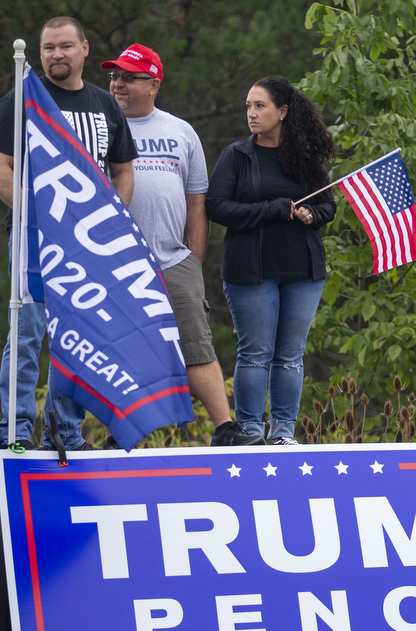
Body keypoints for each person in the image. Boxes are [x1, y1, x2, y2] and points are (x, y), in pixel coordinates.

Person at [0, 16, 137, 451]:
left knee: (80, 339)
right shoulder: (24, 99)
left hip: (91, 244)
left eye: (65, 46)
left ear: (85, 49)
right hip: (36, 241)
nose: (56, 55)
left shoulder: (105, 105)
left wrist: (109, 221)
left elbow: (124, 171)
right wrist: (41, 218)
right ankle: (15, 431)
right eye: (48, 48)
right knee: (27, 332)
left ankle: (65, 432)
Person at [101, 44, 263, 447]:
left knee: (196, 345)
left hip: (174, 261)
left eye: (128, 77)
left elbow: (197, 201)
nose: (118, 84)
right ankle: (115, 439)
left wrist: (194, 259)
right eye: (114, 76)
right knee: (118, 353)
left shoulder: (180, 130)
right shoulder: (101, 128)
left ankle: (225, 430)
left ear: (153, 84)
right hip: (116, 261)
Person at [206, 76, 336, 445]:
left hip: (303, 270)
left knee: (291, 356)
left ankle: (283, 434)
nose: (251, 113)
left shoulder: (305, 156)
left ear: (283, 111)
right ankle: (250, 431)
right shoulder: (237, 155)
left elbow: (329, 204)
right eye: (248, 106)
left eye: (259, 106)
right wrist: (271, 209)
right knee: (255, 354)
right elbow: (217, 206)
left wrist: (314, 214)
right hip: (252, 270)